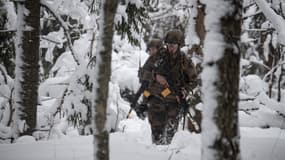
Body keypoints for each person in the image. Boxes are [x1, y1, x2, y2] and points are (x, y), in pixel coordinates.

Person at [145, 30, 197, 145]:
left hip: (174, 101)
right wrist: (155, 76)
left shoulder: (185, 61)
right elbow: (143, 73)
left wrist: (185, 90)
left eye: (173, 45)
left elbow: (194, 80)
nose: (170, 48)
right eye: (168, 45)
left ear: (179, 45)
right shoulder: (158, 57)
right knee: (156, 135)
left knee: (170, 136)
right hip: (157, 100)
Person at [131, 38, 164, 119]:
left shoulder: (162, 60)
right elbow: (146, 69)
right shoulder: (151, 58)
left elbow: (159, 75)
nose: (151, 51)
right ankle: (144, 108)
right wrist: (141, 73)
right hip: (149, 86)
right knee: (145, 94)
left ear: (158, 48)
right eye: (150, 49)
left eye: (153, 49)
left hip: (163, 90)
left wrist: (147, 75)